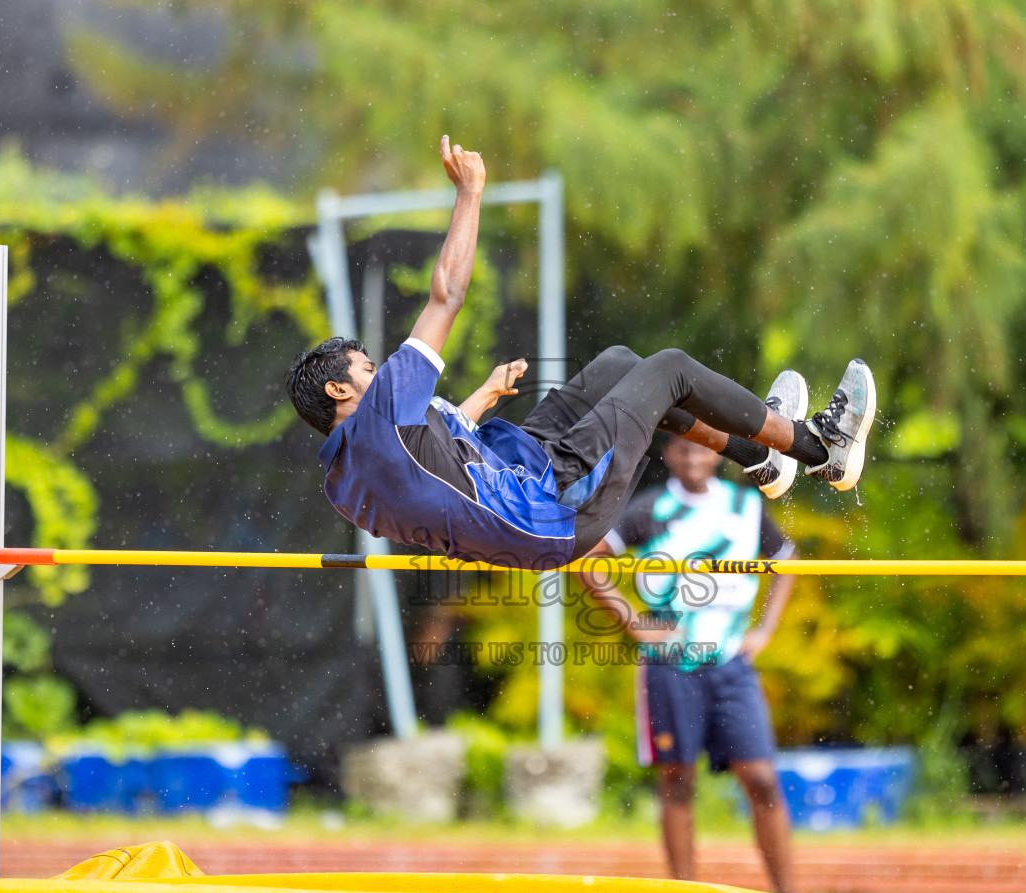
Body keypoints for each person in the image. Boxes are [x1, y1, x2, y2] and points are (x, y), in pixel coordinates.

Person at [286, 137, 876, 570]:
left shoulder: (347, 484)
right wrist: (470, 193)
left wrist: (479, 401)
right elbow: (448, 294)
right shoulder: (384, 412)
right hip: (551, 506)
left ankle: (758, 456)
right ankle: (822, 448)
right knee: (668, 368)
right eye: (366, 367)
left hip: (526, 487)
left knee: (619, 366)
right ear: (341, 390)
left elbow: (437, 474)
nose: (379, 367)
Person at [576, 430, 798, 893]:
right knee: (677, 779)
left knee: (760, 777)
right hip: (669, 662)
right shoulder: (649, 510)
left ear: (717, 454)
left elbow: (787, 559)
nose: (693, 455)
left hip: (732, 663)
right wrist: (636, 621)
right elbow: (588, 563)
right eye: (682, 447)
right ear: (667, 454)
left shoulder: (746, 506)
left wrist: (765, 630)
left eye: (702, 447)